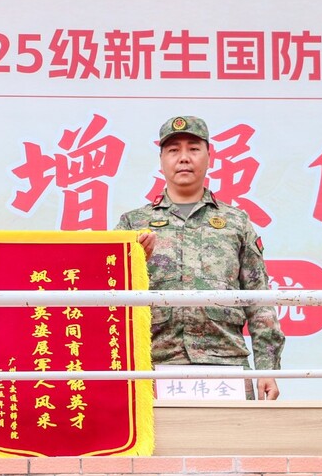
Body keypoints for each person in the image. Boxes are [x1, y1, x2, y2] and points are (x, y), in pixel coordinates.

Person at [115, 115, 285, 400]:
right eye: (173, 150)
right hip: (154, 363)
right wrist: (134, 263)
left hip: (226, 363)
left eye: (193, 149)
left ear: (209, 157)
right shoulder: (133, 224)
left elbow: (260, 301)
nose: (184, 158)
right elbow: (111, 299)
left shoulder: (236, 222)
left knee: (234, 431)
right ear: (161, 161)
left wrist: (267, 369)